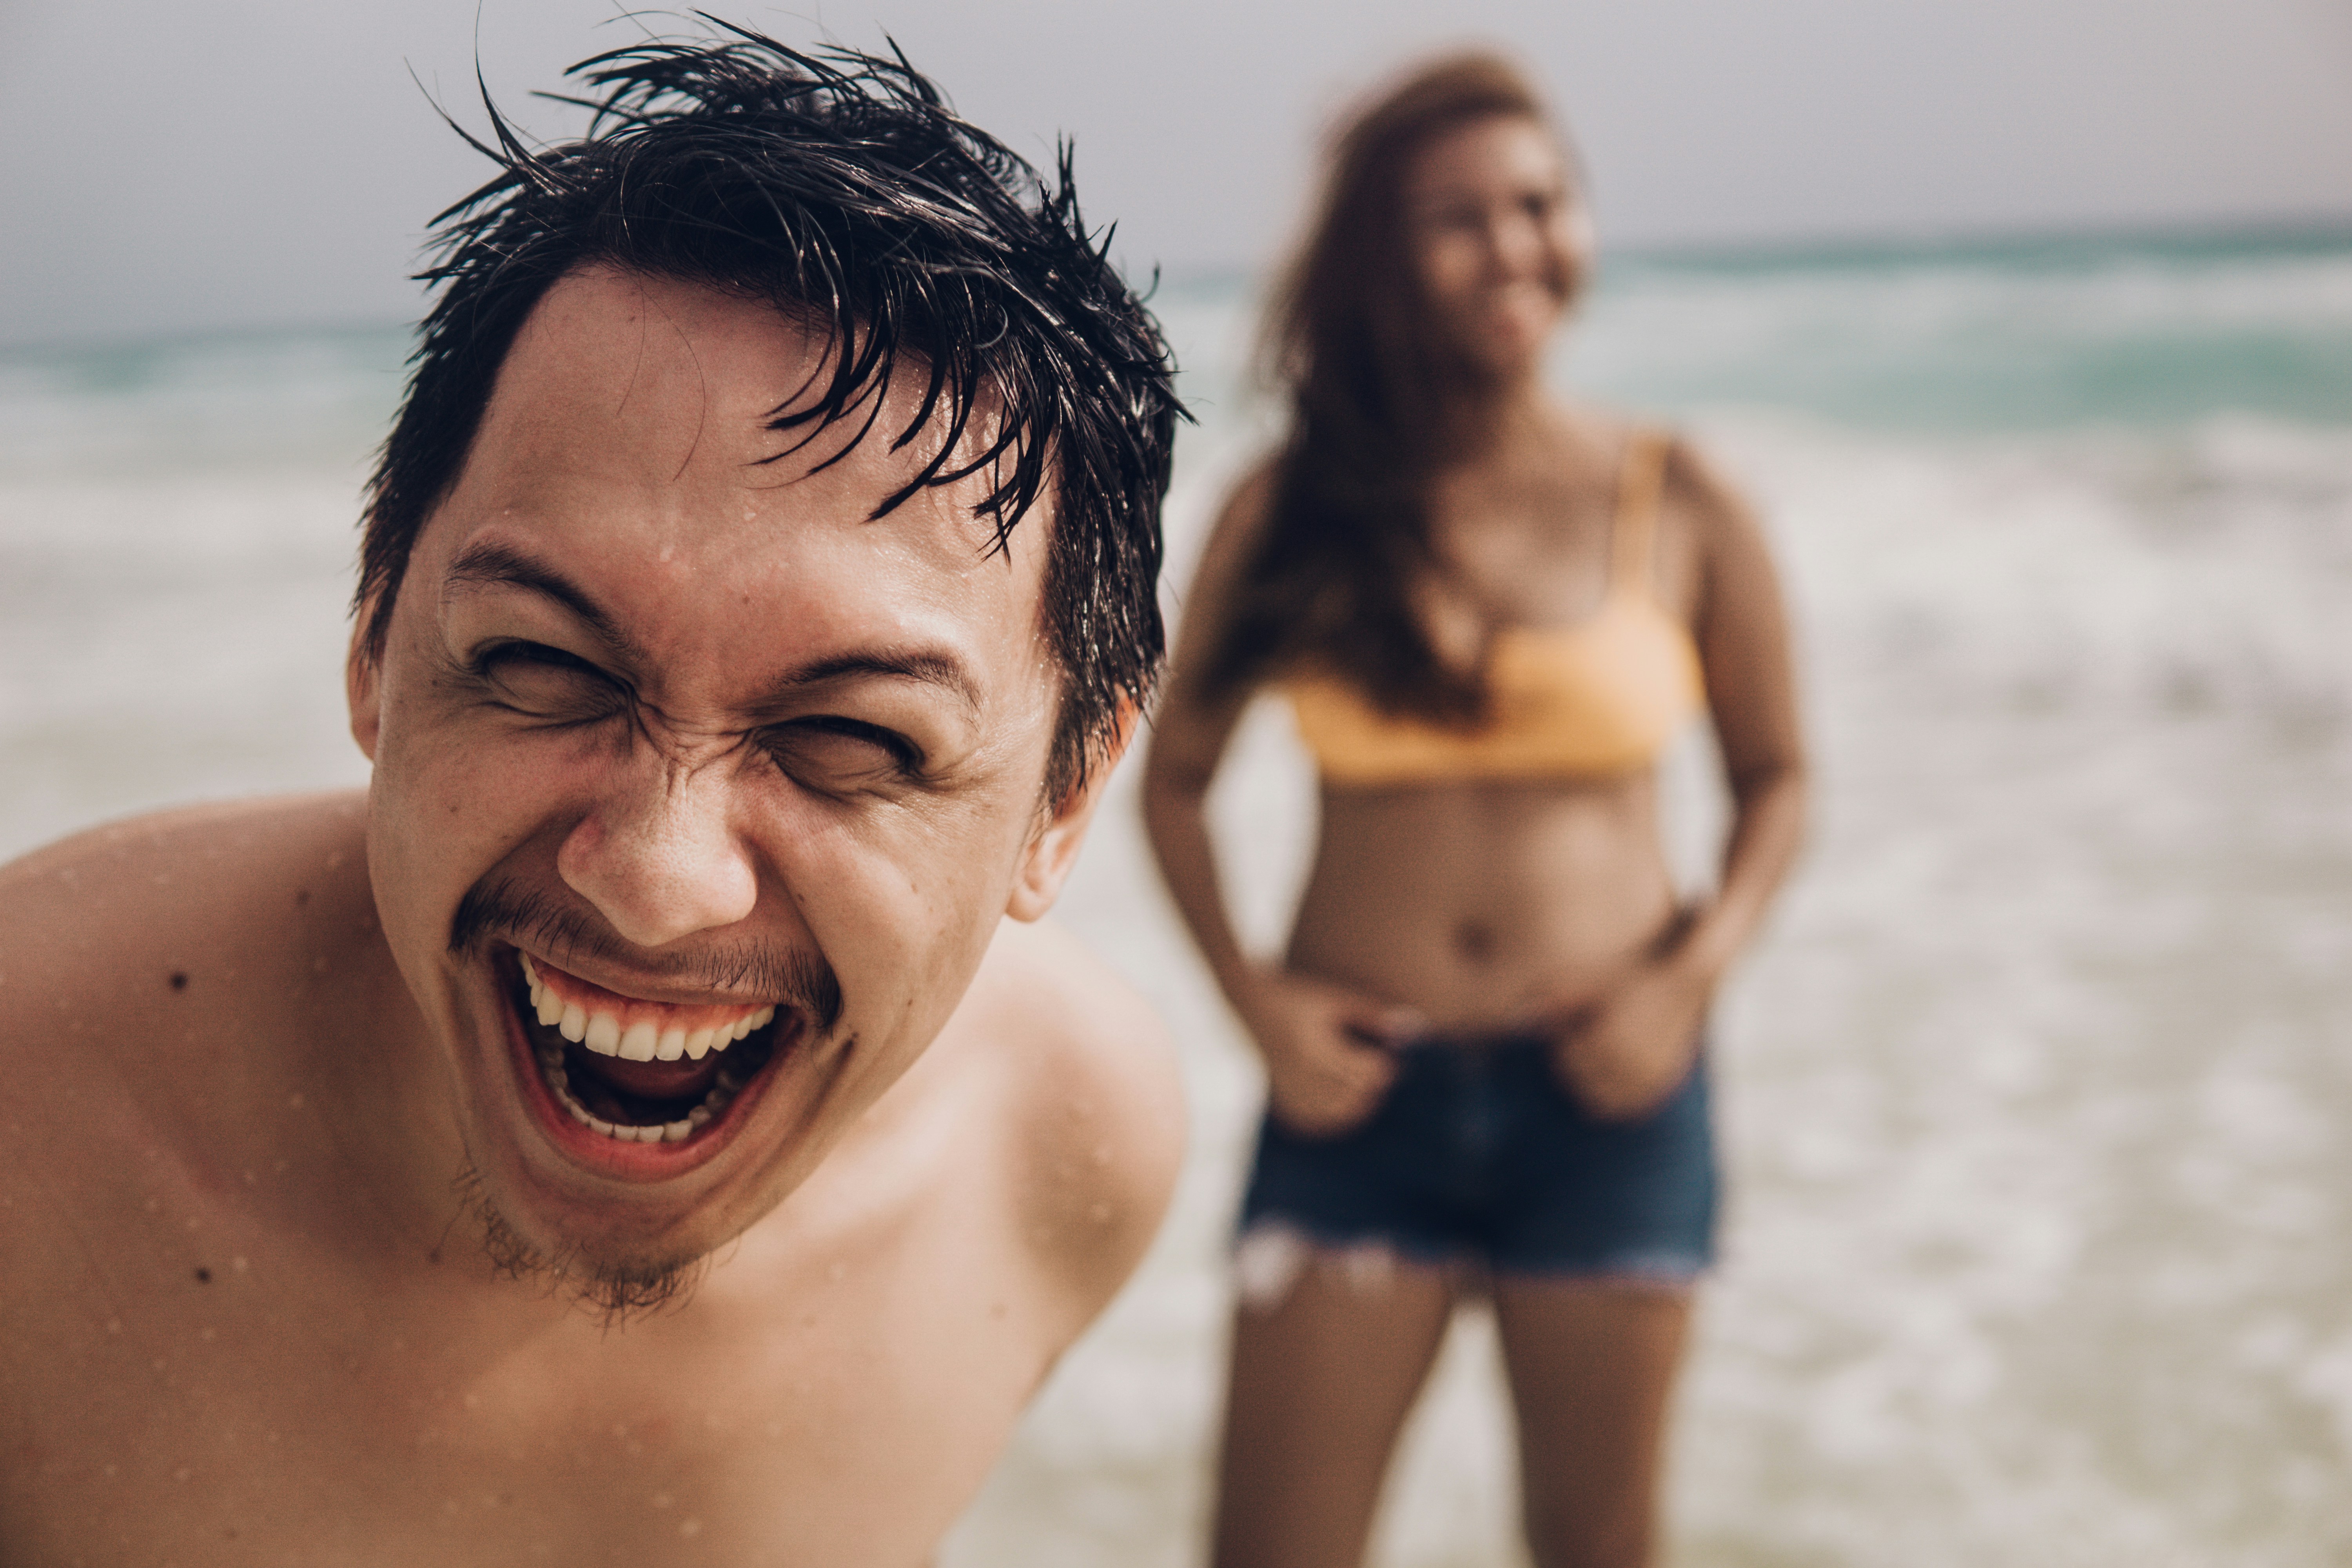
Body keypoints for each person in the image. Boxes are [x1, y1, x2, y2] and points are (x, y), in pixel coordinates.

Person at [0, 27, 1187, 1566]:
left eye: (855, 740)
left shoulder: (1061, 1154)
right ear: (374, 627)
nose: (656, 876)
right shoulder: (31, 1119)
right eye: (547, 664)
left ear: (1064, 804)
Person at [1143, 52, 1806, 1568]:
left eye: (1541, 201)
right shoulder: (1291, 508)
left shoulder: (1678, 493)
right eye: (1461, 218)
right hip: (1356, 1106)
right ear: (1380, 253)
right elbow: (1172, 781)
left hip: (1614, 1104)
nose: (1518, 246)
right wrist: (1257, 1010)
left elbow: (1779, 780)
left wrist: (1687, 986)